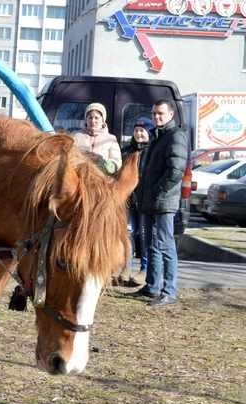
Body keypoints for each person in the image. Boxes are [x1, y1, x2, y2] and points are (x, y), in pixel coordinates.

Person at [134, 100, 188, 307]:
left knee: (165, 245)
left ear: (171, 114)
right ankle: (152, 286)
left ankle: (169, 290)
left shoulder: (175, 136)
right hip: (150, 201)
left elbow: (175, 170)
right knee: (151, 245)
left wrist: (157, 190)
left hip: (163, 201)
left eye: (161, 114)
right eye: (154, 113)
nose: (157, 117)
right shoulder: (157, 137)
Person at [120, 116, 154, 285]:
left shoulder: (152, 151)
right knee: (128, 233)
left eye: (142, 131)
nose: (139, 134)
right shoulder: (127, 151)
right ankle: (126, 267)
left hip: (144, 201)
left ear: (149, 132)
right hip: (128, 200)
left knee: (143, 234)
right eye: (137, 131)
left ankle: (144, 269)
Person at [71, 102, 122, 176]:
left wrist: (102, 162)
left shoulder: (111, 139)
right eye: (90, 117)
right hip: (78, 179)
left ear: (102, 120)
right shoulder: (75, 136)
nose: (93, 121)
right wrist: (81, 159)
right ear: (86, 119)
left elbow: (117, 162)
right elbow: (68, 157)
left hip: (101, 181)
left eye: (96, 118)